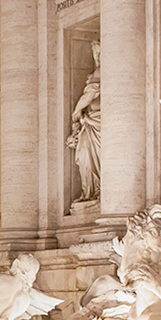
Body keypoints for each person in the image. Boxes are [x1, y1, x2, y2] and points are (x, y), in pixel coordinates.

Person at [66, 42, 101, 202]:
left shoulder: (101, 71)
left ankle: (96, 191)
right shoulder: (96, 72)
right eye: (95, 53)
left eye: (99, 53)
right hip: (90, 123)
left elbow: (90, 94)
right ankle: (89, 192)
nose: (97, 57)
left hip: (97, 122)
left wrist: (77, 110)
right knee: (85, 156)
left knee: (93, 156)